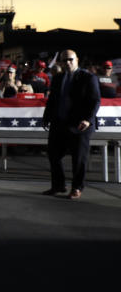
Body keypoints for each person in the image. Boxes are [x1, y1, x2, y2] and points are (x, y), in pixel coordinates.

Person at [41, 50, 101, 200]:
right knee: (53, 154)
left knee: (79, 158)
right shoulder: (58, 78)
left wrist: (88, 119)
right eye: (64, 60)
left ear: (77, 60)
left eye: (70, 59)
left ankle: (77, 188)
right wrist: (46, 117)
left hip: (80, 124)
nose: (67, 62)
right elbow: (52, 100)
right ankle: (58, 185)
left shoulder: (88, 77)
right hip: (59, 122)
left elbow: (95, 101)